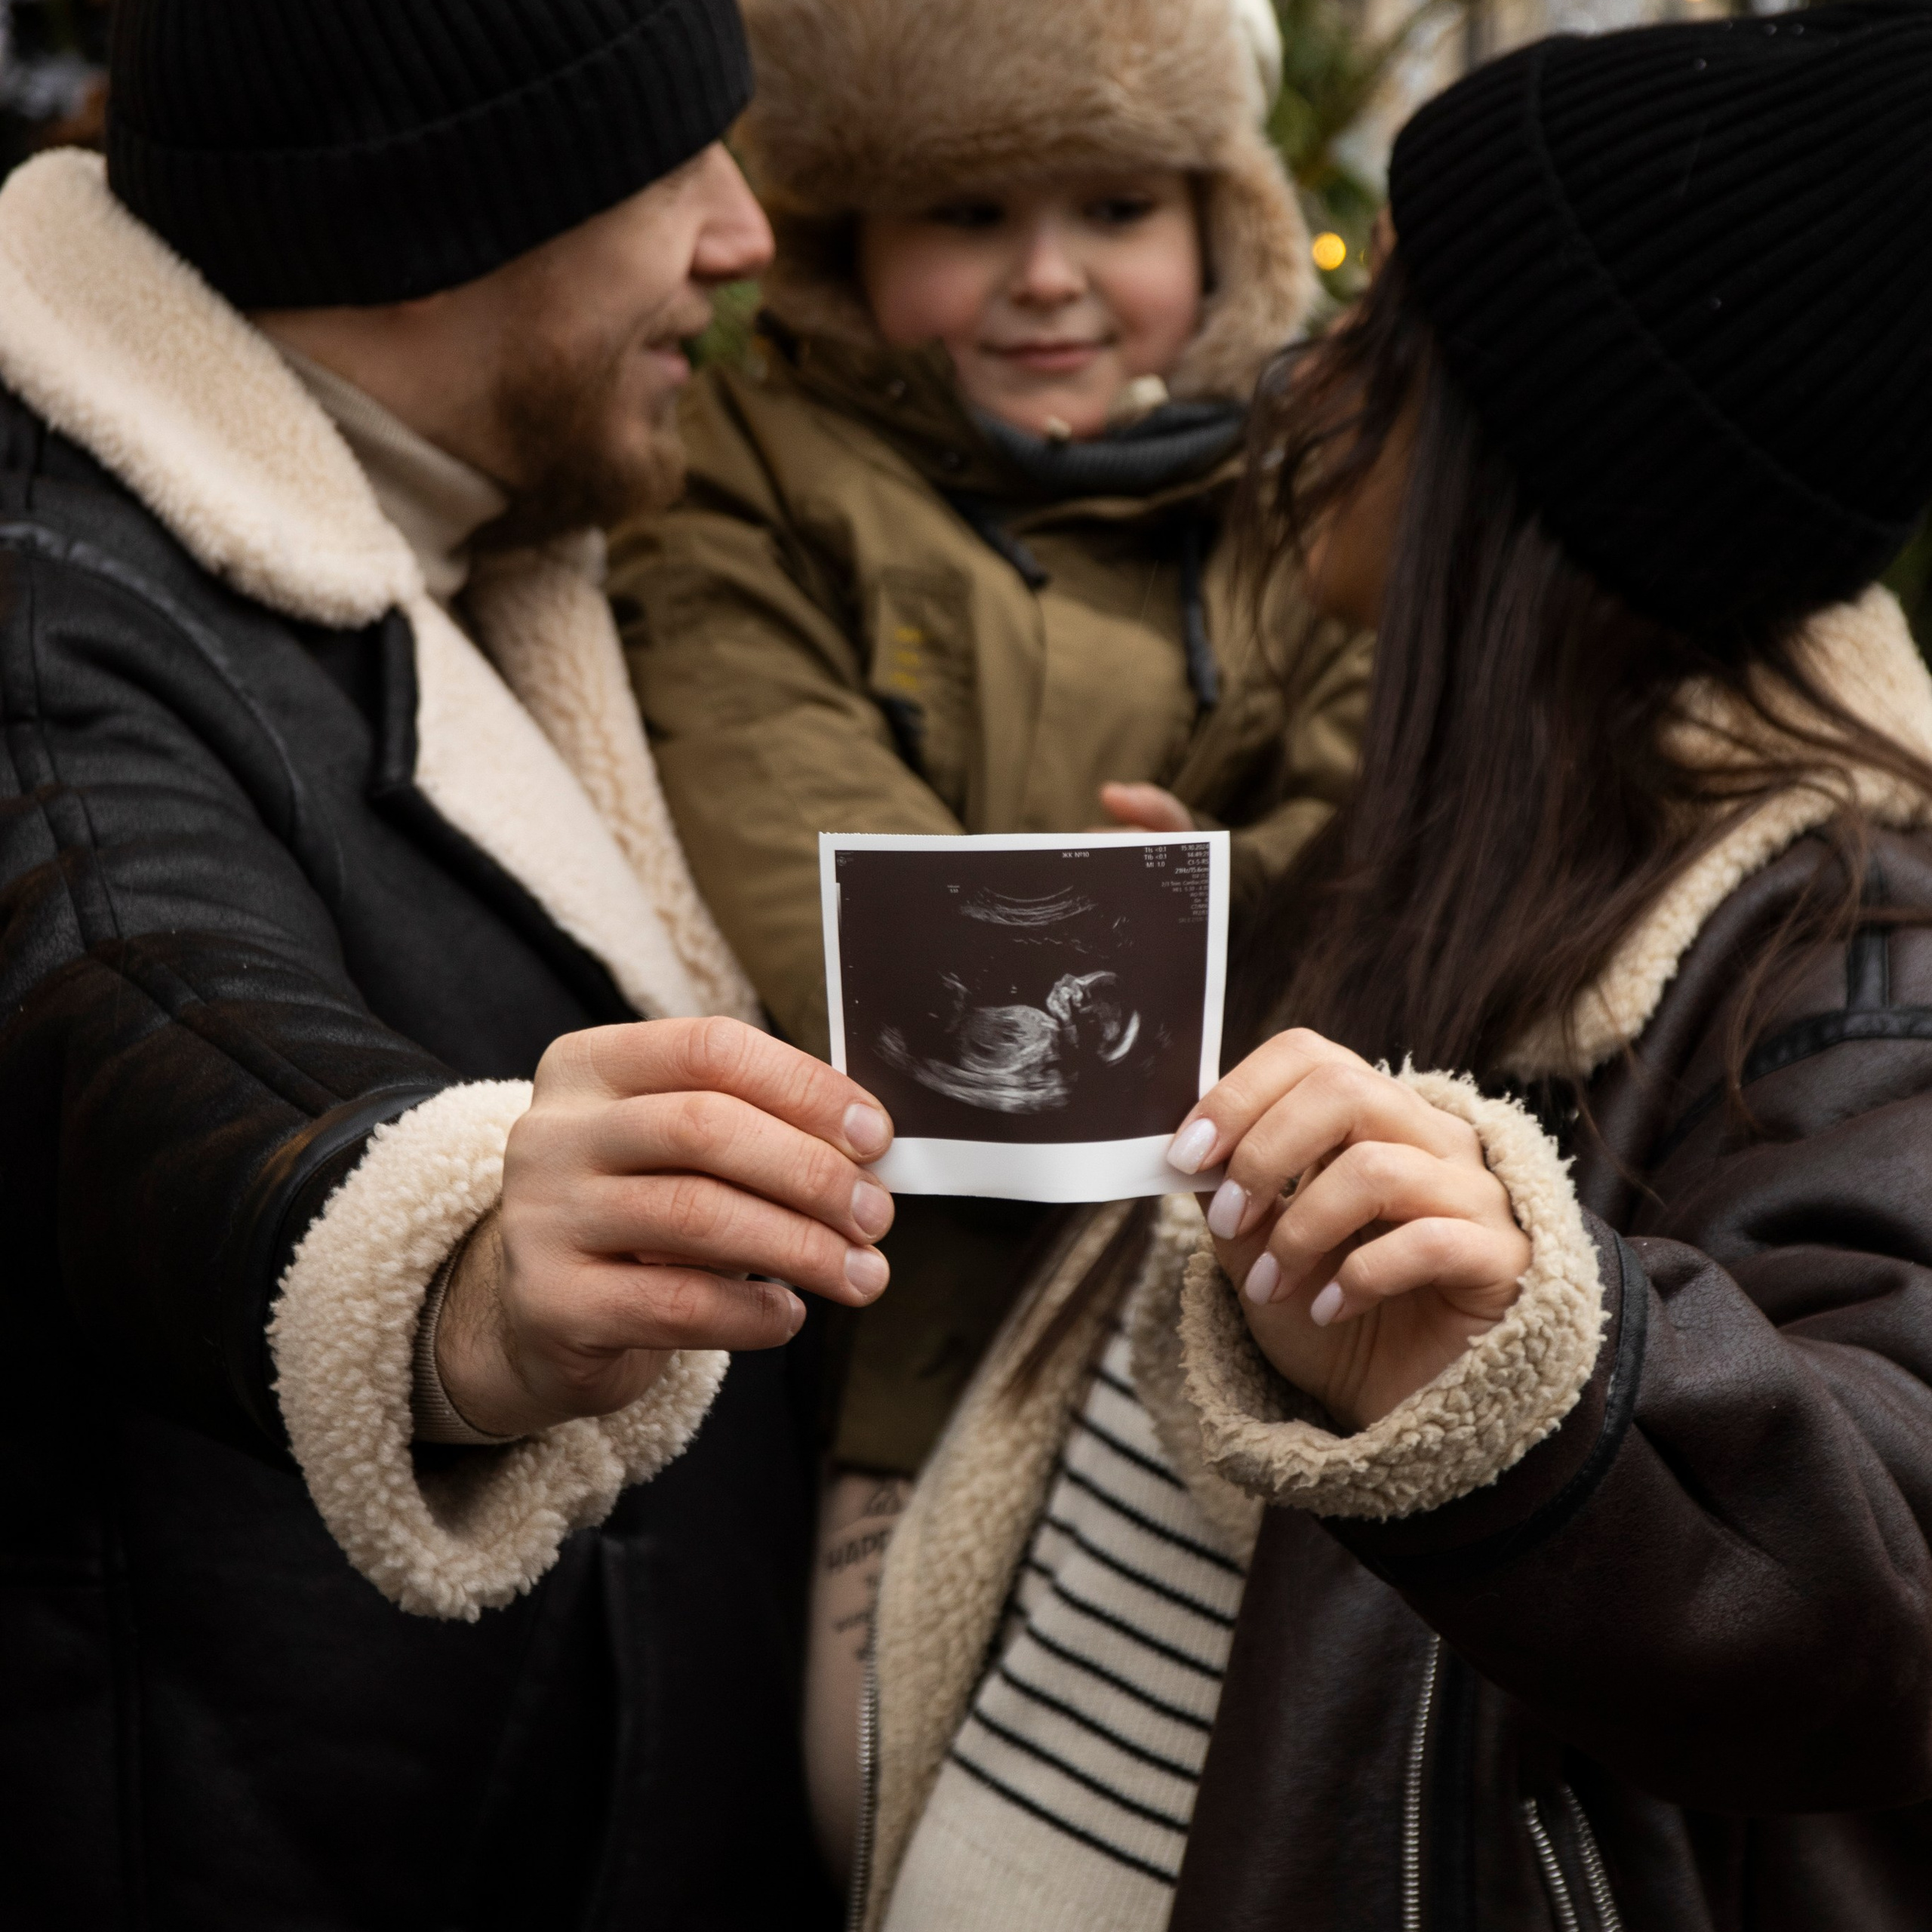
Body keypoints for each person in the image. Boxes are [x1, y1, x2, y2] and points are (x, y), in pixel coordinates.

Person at [838, 6, 1932, 1927]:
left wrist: (1538, 1357)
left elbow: (1882, 1563)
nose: (1307, 369)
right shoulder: (1434, 849)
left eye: (1381, 333)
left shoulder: (1844, 957)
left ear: (1520, 452)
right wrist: (1211, 992)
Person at [0, 2, 900, 1924]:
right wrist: (447, 1252)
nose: (743, 235)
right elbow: (114, 977)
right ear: (436, 209)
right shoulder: (42, 601)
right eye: (669, 166)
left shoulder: (472, 533)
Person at [609, 0, 1370, 1740]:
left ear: (1218, 218)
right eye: (965, 213)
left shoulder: (1310, 485)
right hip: (906, 1330)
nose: (1045, 278)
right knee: (887, 1784)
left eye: (1115, 209)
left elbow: (1382, 827)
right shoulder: (749, 470)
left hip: (1264, 1325)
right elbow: (839, 901)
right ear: (851, 236)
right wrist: (1195, 922)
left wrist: (1240, 892)